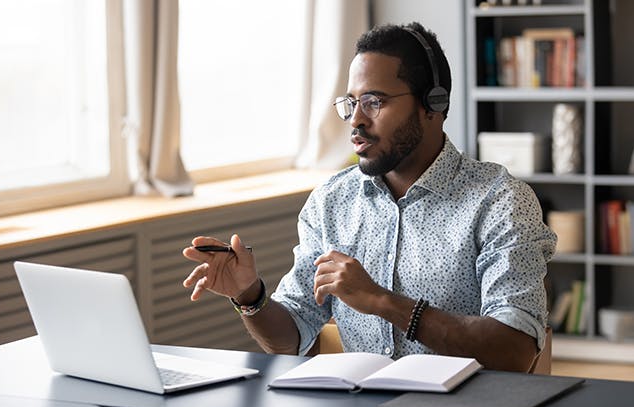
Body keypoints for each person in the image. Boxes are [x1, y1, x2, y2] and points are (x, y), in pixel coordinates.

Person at [181, 22, 556, 372]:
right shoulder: (332, 202)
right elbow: (291, 336)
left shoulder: (500, 201)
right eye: (351, 103)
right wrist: (249, 295)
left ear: (433, 105)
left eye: (374, 102)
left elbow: (515, 351)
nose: (356, 120)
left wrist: (381, 301)